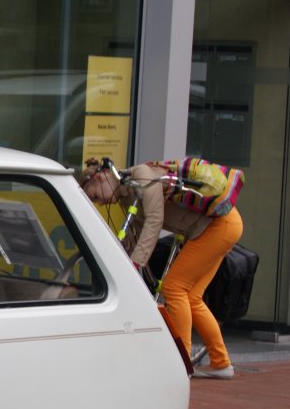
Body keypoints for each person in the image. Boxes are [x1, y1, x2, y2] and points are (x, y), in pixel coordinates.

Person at [82, 159, 244, 379]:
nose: (99, 203)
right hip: (221, 226)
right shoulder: (129, 191)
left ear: (100, 177)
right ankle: (221, 363)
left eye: (94, 196)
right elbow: (136, 231)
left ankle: (182, 363)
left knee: (174, 288)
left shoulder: (142, 176)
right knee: (193, 297)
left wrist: (136, 262)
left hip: (218, 227)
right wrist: (123, 262)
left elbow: (154, 219)